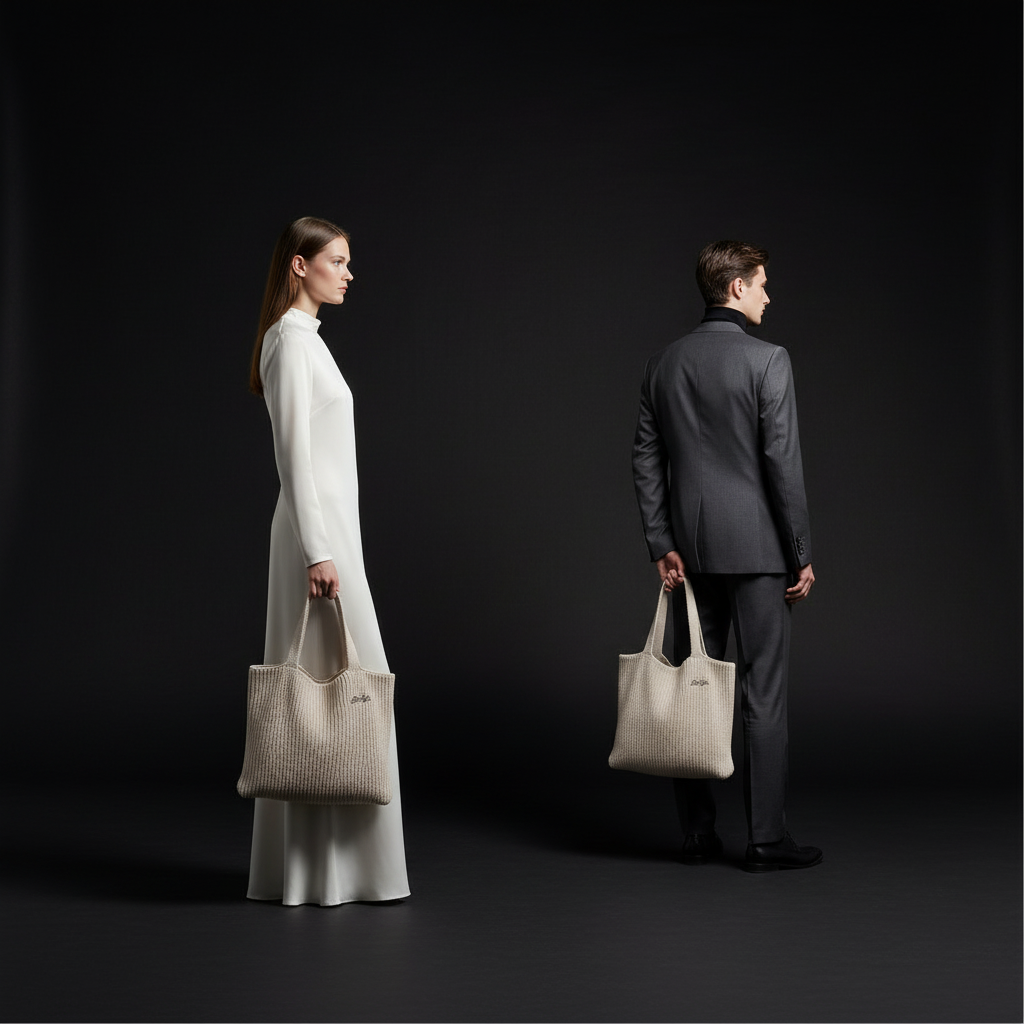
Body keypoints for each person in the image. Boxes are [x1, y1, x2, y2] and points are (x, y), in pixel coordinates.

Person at [631, 240, 822, 872]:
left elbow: (646, 462)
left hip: (688, 554)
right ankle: (766, 840)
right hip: (761, 551)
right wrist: (800, 552)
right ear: (736, 288)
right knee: (762, 693)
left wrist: (662, 543)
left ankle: (697, 835)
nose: (769, 294)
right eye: (763, 284)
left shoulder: (664, 363)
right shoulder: (768, 360)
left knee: (694, 689)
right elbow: (782, 466)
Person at [245, 216, 410, 905]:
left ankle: (341, 875)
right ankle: (317, 877)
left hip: (335, 536)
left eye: (347, 262)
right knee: (322, 698)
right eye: (336, 261)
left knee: (346, 696)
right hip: (317, 543)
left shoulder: (309, 343)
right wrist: (319, 550)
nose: (348, 274)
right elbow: (293, 457)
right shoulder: (287, 342)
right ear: (299, 266)